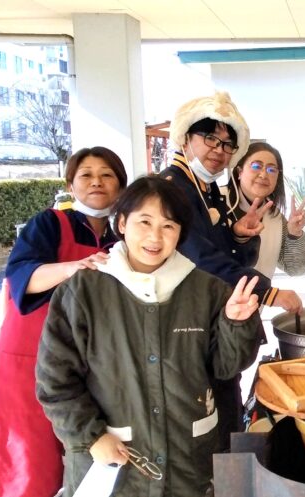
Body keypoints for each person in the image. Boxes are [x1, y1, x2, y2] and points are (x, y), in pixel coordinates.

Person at [35, 176, 262, 496]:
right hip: (114, 465)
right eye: (144, 222)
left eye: (168, 225)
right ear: (122, 223)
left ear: (181, 232)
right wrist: (91, 436)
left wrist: (235, 324)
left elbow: (226, 368)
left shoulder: (208, 290)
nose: (155, 236)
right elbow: (54, 380)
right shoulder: (83, 290)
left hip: (186, 466)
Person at [0, 147, 127, 497]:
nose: (96, 182)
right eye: (86, 175)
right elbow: (22, 278)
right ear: (71, 185)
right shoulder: (49, 223)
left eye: (107, 175)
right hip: (24, 370)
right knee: (25, 474)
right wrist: (75, 267)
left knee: (83, 474)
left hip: (83, 374)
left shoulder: (121, 238)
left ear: (120, 187)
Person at [161, 91, 302, 449]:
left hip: (217, 320)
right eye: (210, 139)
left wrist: (238, 234)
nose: (219, 150)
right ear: (185, 138)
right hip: (184, 323)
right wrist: (269, 292)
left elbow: (228, 254)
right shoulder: (172, 188)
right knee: (200, 419)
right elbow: (200, 258)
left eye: (227, 144)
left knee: (225, 410)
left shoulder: (207, 189)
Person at [227, 141, 305, 280]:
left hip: (259, 293)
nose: (263, 175)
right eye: (256, 166)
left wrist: (294, 234)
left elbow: (295, 269)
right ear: (240, 172)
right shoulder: (217, 201)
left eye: (272, 170)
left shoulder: (275, 217)